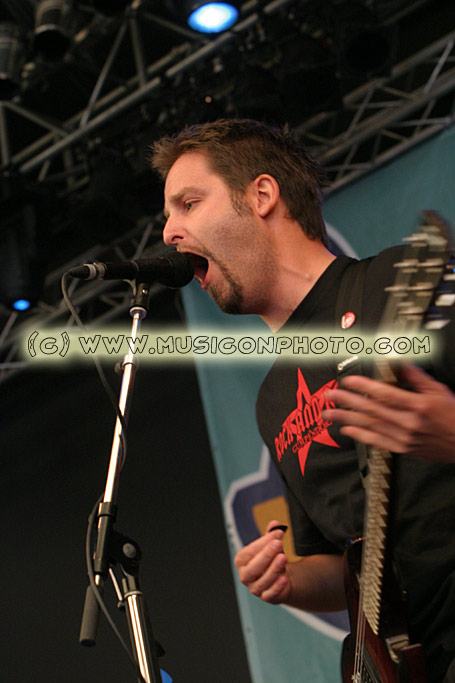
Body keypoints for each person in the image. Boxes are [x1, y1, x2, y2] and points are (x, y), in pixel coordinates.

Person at [150, 118, 455, 682]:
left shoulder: (396, 283)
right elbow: (342, 567)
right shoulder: (273, 402)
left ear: (262, 195)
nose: (169, 231)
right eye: (167, 216)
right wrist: (288, 581)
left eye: (188, 204)